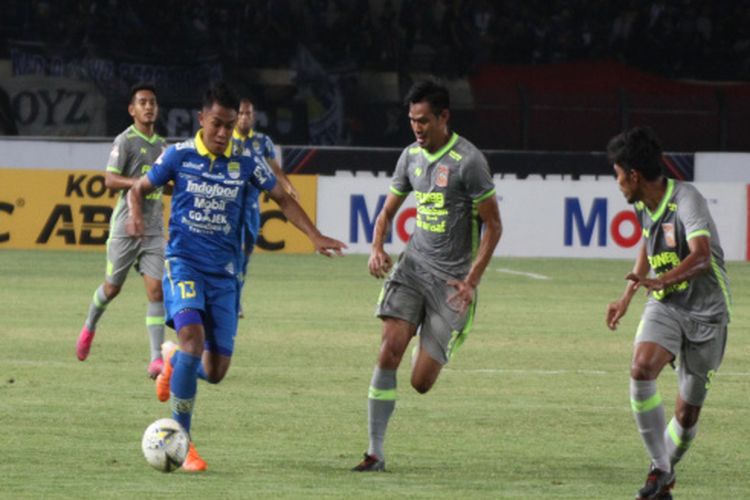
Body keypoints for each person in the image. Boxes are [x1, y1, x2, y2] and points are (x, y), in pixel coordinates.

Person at [127, 82, 346, 472]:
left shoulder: (246, 160)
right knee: (193, 338)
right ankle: (183, 442)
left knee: (215, 371)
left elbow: (281, 197)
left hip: (225, 275)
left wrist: (313, 235)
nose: (224, 133)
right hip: (184, 263)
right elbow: (139, 189)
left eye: (229, 125)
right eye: (217, 124)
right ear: (201, 119)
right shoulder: (177, 155)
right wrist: (137, 213)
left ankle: (173, 359)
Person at [352, 80, 502, 472]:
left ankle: (445, 330)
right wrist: (377, 246)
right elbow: (387, 210)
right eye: (412, 121)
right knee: (388, 350)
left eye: (423, 121)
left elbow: (493, 226)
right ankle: (375, 452)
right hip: (413, 267)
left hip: (452, 283)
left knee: (420, 382)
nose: (416, 128)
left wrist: (472, 280)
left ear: (443, 117)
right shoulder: (410, 158)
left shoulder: (469, 162)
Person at [605, 127, 731, 500]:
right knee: (641, 367)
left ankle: (663, 475)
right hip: (667, 303)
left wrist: (664, 280)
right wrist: (628, 295)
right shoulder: (645, 205)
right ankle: (659, 470)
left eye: (617, 175)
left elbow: (702, 256)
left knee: (687, 415)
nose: (617, 184)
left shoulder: (686, 199)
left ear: (634, 175)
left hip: (708, 315)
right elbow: (647, 245)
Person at [76, 83, 168, 378]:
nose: (148, 106)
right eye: (142, 102)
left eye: (152, 102)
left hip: (153, 228)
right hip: (126, 226)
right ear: (132, 110)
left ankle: (155, 359)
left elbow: (168, 181)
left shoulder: (163, 146)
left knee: (156, 292)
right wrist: (142, 183)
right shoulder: (125, 141)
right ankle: (90, 325)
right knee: (112, 288)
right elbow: (110, 180)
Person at [232, 98, 298, 318]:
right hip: (230, 205)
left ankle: (236, 296)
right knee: (233, 254)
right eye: (240, 113)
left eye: (248, 114)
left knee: (247, 253)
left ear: (253, 117)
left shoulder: (262, 142)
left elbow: (275, 170)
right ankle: (233, 301)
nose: (244, 117)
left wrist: (288, 185)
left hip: (252, 206)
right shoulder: (226, 140)